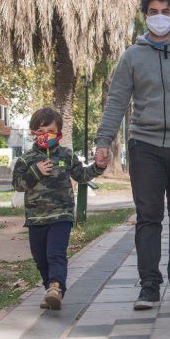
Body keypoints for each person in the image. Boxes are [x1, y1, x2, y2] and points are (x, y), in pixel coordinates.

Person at [93, 0, 170, 310]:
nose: (159, 16)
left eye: (164, 10)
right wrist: (102, 141)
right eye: (152, 11)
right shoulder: (132, 56)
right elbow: (117, 101)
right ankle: (149, 283)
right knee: (149, 216)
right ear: (144, 16)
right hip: (144, 145)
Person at [12, 107, 104, 310]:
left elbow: (81, 175)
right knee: (41, 260)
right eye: (41, 131)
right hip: (36, 218)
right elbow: (18, 184)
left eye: (50, 131)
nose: (46, 135)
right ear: (33, 133)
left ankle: (56, 288)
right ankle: (50, 290)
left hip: (61, 216)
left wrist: (99, 166)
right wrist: (35, 172)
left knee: (56, 254)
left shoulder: (67, 155)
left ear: (59, 132)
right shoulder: (26, 160)